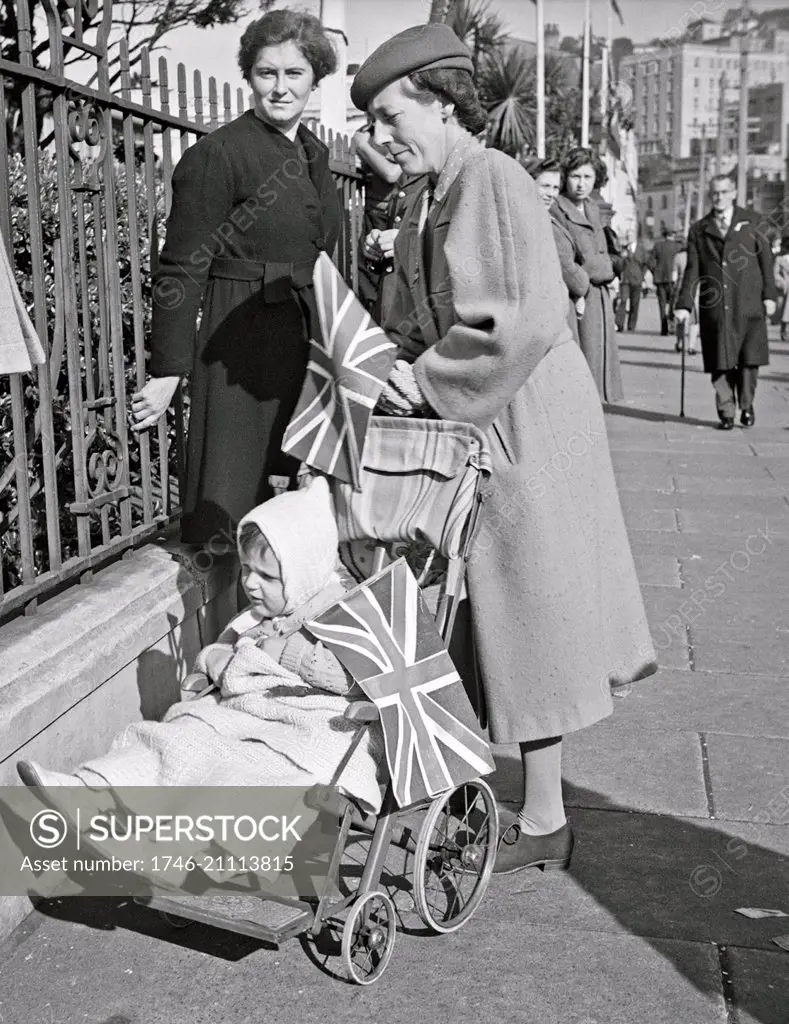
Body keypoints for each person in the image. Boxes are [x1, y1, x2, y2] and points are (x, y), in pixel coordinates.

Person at [351, 24, 656, 875]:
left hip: (521, 421)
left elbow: (513, 321)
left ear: (441, 104)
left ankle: (547, 817)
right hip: (494, 415)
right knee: (494, 611)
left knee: (527, 610)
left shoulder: (487, 177)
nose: (380, 137)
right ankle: (502, 796)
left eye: (389, 115)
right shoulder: (437, 189)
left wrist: (425, 378)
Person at [17, 479, 385, 814]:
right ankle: (84, 790)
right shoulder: (257, 615)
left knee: (239, 768)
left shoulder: (339, 615)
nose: (251, 584)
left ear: (304, 574)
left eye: (268, 577)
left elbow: (360, 676)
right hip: (243, 713)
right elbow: (225, 645)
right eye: (246, 569)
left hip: (309, 724)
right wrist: (216, 658)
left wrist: (288, 654)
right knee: (171, 741)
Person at [130, 11, 341, 548]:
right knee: (230, 494)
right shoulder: (217, 154)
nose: (280, 87)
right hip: (238, 337)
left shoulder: (316, 154)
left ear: (314, 78)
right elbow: (181, 265)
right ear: (248, 76)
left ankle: (281, 615)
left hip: (303, 333)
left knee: (295, 492)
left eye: (294, 74)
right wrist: (168, 369)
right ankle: (223, 612)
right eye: (266, 73)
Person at [675, 173, 777, 430]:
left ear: (733, 193)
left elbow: (766, 262)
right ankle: (726, 411)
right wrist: (684, 304)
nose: (719, 198)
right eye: (714, 193)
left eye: (723, 192)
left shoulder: (753, 221)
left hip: (748, 302)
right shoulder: (699, 229)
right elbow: (693, 269)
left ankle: (746, 403)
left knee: (748, 360)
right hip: (716, 305)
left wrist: (770, 296)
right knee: (719, 360)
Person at [552, 147, 624, 403]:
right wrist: (602, 268)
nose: (581, 184)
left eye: (587, 177)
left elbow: (602, 255)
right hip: (577, 300)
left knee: (597, 363)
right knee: (580, 366)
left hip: (598, 298)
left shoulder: (592, 209)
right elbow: (569, 261)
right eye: (575, 176)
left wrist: (603, 266)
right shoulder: (557, 210)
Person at [526, 156, 589, 344]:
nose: (551, 194)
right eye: (545, 186)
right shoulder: (535, 221)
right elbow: (565, 267)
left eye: (555, 188)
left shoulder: (548, 217)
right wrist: (581, 287)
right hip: (546, 314)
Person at [649, 228, 681, 336]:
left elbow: (650, 262)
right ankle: (672, 326)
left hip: (660, 279)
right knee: (674, 303)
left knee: (662, 304)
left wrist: (655, 271)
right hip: (673, 279)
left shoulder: (658, 246)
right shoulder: (678, 247)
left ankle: (664, 328)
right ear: (672, 235)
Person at [615, 239, 649, 334]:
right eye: (627, 236)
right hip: (625, 280)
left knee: (635, 303)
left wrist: (642, 276)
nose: (628, 237)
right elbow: (618, 263)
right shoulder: (623, 249)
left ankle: (631, 325)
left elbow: (646, 263)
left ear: (634, 237)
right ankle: (619, 324)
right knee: (623, 301)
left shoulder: (641, 249)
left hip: (637, 280)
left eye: (629, 235)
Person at [671, 240, 697, 355]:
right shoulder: (699, 257)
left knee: (680, 318)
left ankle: (680, 343)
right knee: (694, 320)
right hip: (697, 289)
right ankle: (691, 346)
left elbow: (674, 276)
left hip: (682, 288)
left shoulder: (678, 257)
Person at [773, 235, 789, 342]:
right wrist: (783, 283)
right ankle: (785, 330)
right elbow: (775, 274)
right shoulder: (780, 259)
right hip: (786, 290)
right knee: (786, 312)